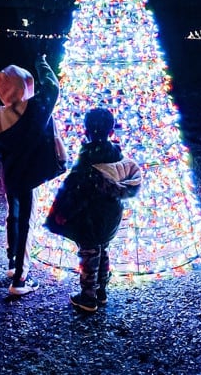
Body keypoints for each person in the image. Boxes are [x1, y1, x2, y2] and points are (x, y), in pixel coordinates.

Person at [44, 107, 142, 312]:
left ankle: (88, 297)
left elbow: (75, 191)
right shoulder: (117, 157)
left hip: (90, 218)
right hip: (111, 217)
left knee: (89, 254)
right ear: (112, 131)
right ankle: (101, 291)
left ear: (86, 131)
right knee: (103, 249)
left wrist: (62, 214)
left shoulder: (87, 162)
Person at [0, 53, 63, 296]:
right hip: (31, 176)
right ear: (25, 86)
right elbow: (52, 87)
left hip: (10, 175)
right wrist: (41, 62)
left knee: (14, 216)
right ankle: (19, 280)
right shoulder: (36, 109)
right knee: (27, 223)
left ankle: (12, 263)